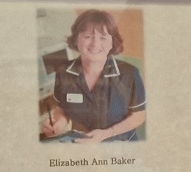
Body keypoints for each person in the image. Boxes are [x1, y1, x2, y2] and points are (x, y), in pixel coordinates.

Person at [41, 9, 146, 142]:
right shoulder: (63, 71)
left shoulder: (129, 74)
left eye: (103, 37)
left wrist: (108, 133)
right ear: (76, 40)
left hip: (120, 145)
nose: (95, 44)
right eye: (88, 36)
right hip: (80, 142)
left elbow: (139, 115)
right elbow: (62, 109)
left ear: (112, 42)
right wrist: (58, 124)